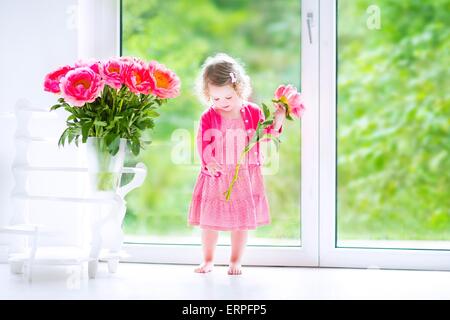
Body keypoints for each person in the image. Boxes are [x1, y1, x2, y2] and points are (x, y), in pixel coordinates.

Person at [188, 53, 285, 275]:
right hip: (217, 176)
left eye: (228, 98)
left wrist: (279, 117)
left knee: (240, 223)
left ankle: (235, 260)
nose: (222, 103)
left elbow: (266, 134)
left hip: (244, 176)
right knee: (210, 222)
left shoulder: (253, 112)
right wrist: (209, 161)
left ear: (239, 89)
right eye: (216, 99)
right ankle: (208, 259)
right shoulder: (208, 116)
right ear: (208, 95)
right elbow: (202, 141)